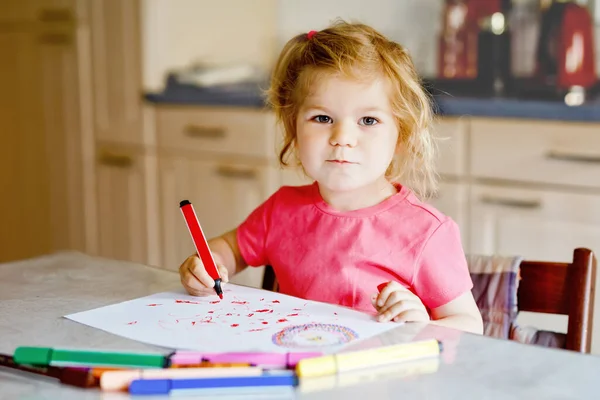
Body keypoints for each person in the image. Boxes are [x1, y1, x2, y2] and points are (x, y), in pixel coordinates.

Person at [179, 21, 483, 334]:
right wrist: (208, 264)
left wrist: (422, 325)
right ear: (294, 130)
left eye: (368, 120)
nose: (342, 137)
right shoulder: (280, 211)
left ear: (401, 136)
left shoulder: (427, 233)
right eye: (322, 118)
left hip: (380, 379)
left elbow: (470, 326)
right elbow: (231, 248)